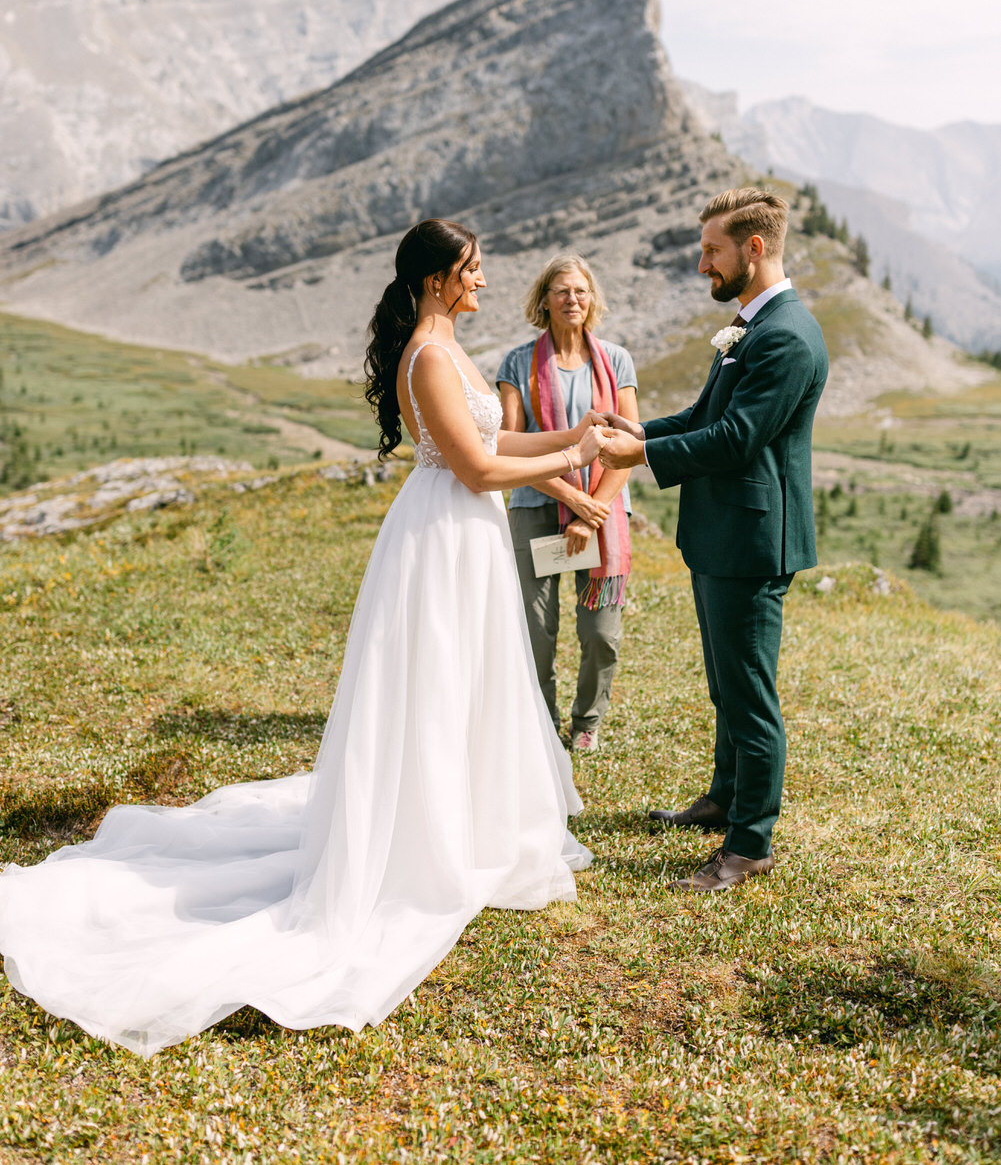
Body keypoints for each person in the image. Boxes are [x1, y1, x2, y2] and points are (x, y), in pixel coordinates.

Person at [0, 219, 608, 1055]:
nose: (483, 282)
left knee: (467, 686)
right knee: (432, 688)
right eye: (472, 270)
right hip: (439, 537)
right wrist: (567, 458)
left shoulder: (453, 349)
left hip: (465, 536)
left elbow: (496, 440)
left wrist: (576, 442)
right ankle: (422, 842)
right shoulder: (429, 358)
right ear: (436, 280)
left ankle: (464, 824)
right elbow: (474, 467)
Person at [598, 187, 827, 893]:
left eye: (711, 250)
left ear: (752, 249)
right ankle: (724, 798)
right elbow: (704, 413)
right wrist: (637, 430)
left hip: (753, 544)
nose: (702, 264)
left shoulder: (785, 334)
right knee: (726, 686)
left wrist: (635, 459)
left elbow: (736, 438)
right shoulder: (749, 326)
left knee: (749, 695)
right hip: (723, 536)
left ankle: (749, 841)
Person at [497, 255, 638, 753]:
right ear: (544, 300)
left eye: (580, 291)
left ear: (592, 299)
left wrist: (589, 509)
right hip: (536, 506)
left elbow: (628, 446)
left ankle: (587, 722)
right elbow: (507, 443)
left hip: (603, 512)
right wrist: (573, 499)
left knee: (601, 634)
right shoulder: (516, 363)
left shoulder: (617, 361)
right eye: (560, 291)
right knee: (536, 633)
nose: (571, 299)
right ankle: (540, 722)